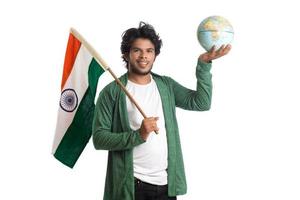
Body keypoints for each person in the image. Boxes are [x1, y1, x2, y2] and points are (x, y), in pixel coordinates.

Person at [92, 22, 231, 200]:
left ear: (155, 55)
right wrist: (138, 135)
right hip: (132, 187)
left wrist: (204, 64)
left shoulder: (165, 85)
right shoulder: (112, 92)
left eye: (149, 51)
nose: (144, 56)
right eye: (137, 50)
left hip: (166, 185)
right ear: (126, 55)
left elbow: (201, 103)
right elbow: (99, 138)